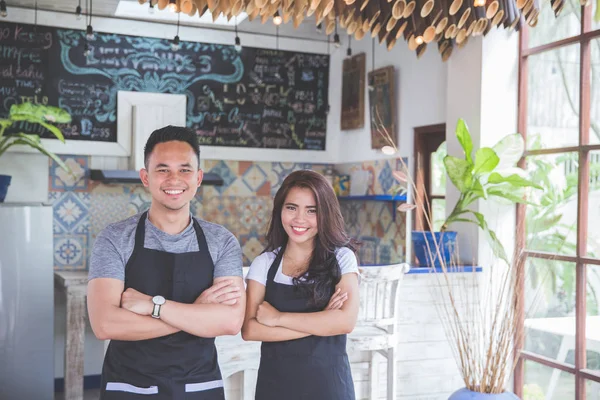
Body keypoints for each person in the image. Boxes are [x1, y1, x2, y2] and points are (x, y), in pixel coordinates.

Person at [87, 126, 245, 400]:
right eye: (163, 169)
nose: (174, 179)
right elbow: (105, 325)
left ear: (198, 178)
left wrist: (153, 307)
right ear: (146, 178)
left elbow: (230, 321)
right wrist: (195, 314)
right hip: (129, 386)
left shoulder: (222, 241)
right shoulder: (114, 238)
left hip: (199, 386)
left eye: (184, 170)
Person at [241, 169, 360, 400]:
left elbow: (345, 322)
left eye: (311, 211)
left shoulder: (342, 258)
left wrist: (277, 319)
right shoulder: (264, 264)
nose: (299, 219)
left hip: (329, 388)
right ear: (280, 210)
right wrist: (323, 321)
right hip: (275, 388)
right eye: (291, 207)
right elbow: (250, 330)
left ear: (325, 214)